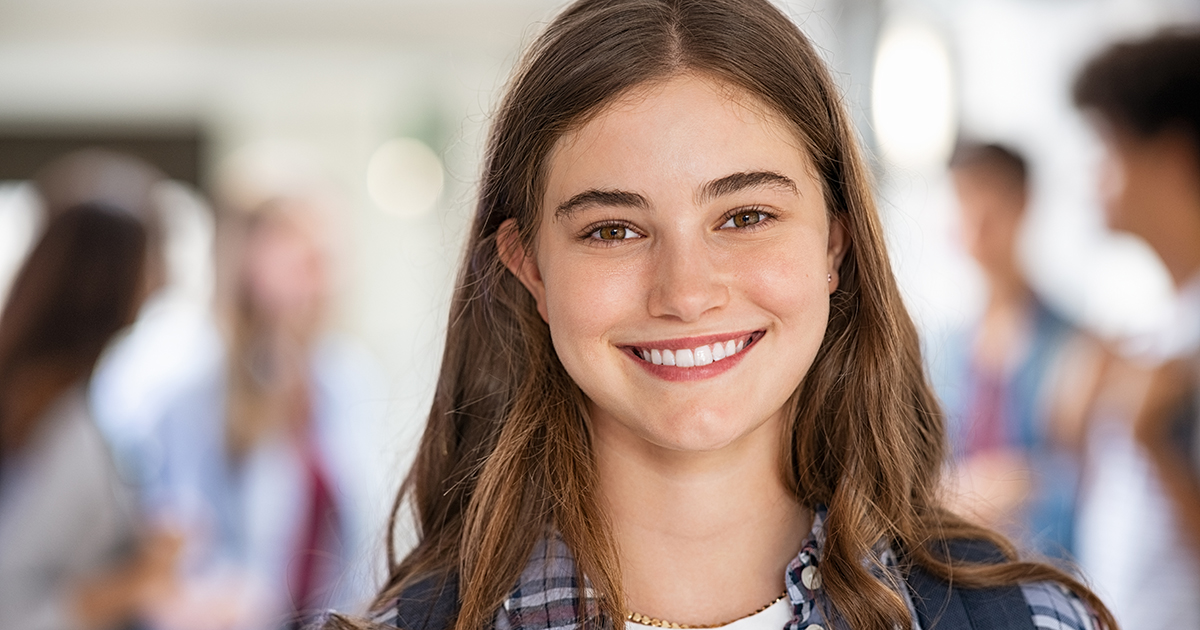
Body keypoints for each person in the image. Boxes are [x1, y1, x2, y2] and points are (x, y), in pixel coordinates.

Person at [324, 1, 1118, 629]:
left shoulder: (1038, 624)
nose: (686, 292)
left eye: (745, 217)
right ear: (528, 267)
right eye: (612, 230)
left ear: (835, 245)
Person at [142, 193, 388, 630]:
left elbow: (366, 539)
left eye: (322, 245)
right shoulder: (194, 392)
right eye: (292, 239)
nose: (316, 257)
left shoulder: (347, 378)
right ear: (246, 261)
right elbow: (179, 552)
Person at [1069, 28, 1200, 630]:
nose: (1095, 176)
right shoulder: (1162, 324)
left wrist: (1151, 440)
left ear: (1171, 160)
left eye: (1111, 149)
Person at [0, 203, 178, 630]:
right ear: (107, 274)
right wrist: (132, 583)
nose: (167, 278)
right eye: (154, 257)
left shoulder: (70, 400)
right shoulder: (55, 420)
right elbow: (12, 605)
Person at [936, 142, 1090, 559]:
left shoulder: (1076, 345)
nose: (976, 216)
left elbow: (1092, 482)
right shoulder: (939, 349)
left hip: (1047, 569)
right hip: (960, 572)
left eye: (990, 196)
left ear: (1023, 204)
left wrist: (1019, 480)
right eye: (964, 197)